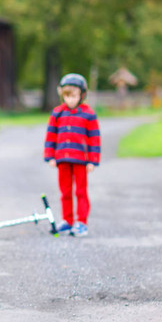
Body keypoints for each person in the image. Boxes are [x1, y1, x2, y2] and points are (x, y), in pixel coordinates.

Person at [43, 73, 101, 237]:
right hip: (62, 159)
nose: (70, 100)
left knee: (81, 192)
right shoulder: (57, 113)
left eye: (73, 96)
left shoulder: (88, 114)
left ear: (82, 95)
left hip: (81, 160)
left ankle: (81, 222)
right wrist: (50, 156)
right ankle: (67, 221)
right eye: (66, 96)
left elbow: (94, 138)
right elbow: (51, 135)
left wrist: (93, 160)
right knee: (65, 192)